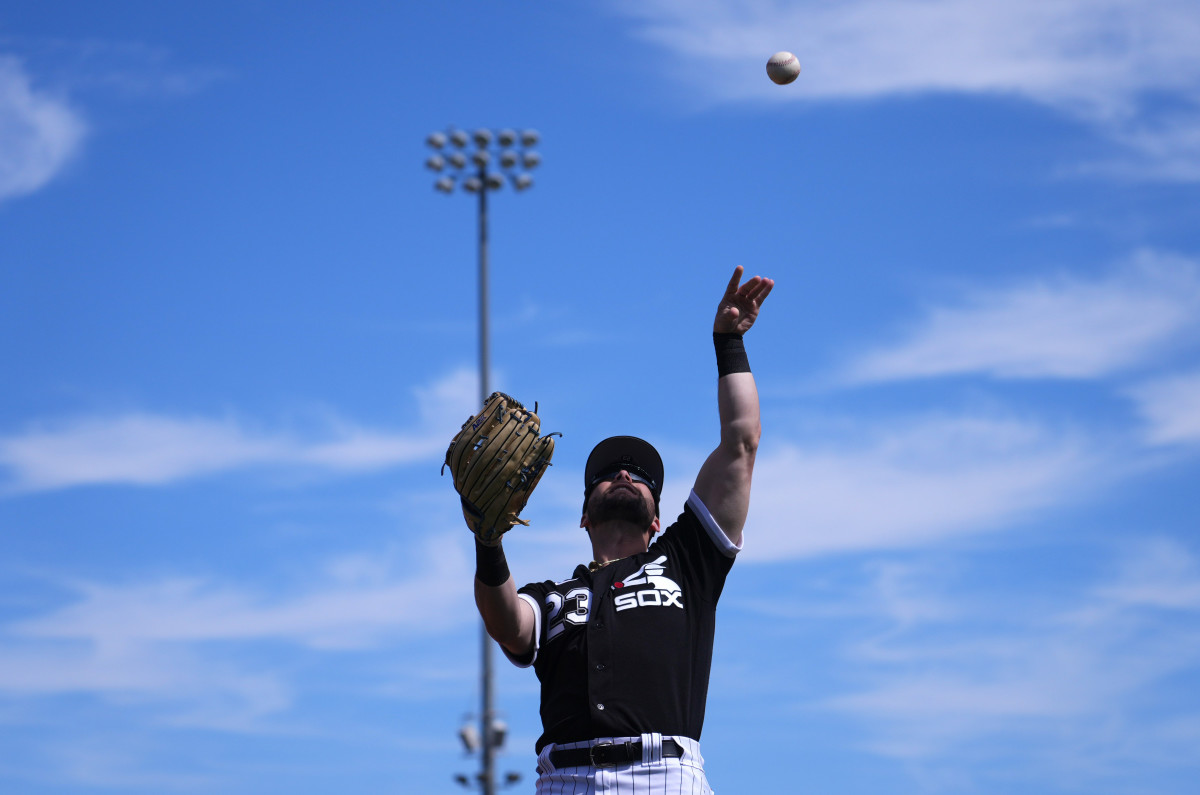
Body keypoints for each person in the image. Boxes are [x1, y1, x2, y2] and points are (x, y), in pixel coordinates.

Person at [471, 266, 773, 793]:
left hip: (663, 773)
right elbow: (508, 624)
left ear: (657, 518)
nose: (624, 474)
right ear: (584, 515)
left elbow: (741, 440)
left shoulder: (687, 559)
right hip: (564, 778)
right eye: (608, 473)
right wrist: (488, 540)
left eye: (640, 475)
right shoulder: (554, 598)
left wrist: (729, 343)